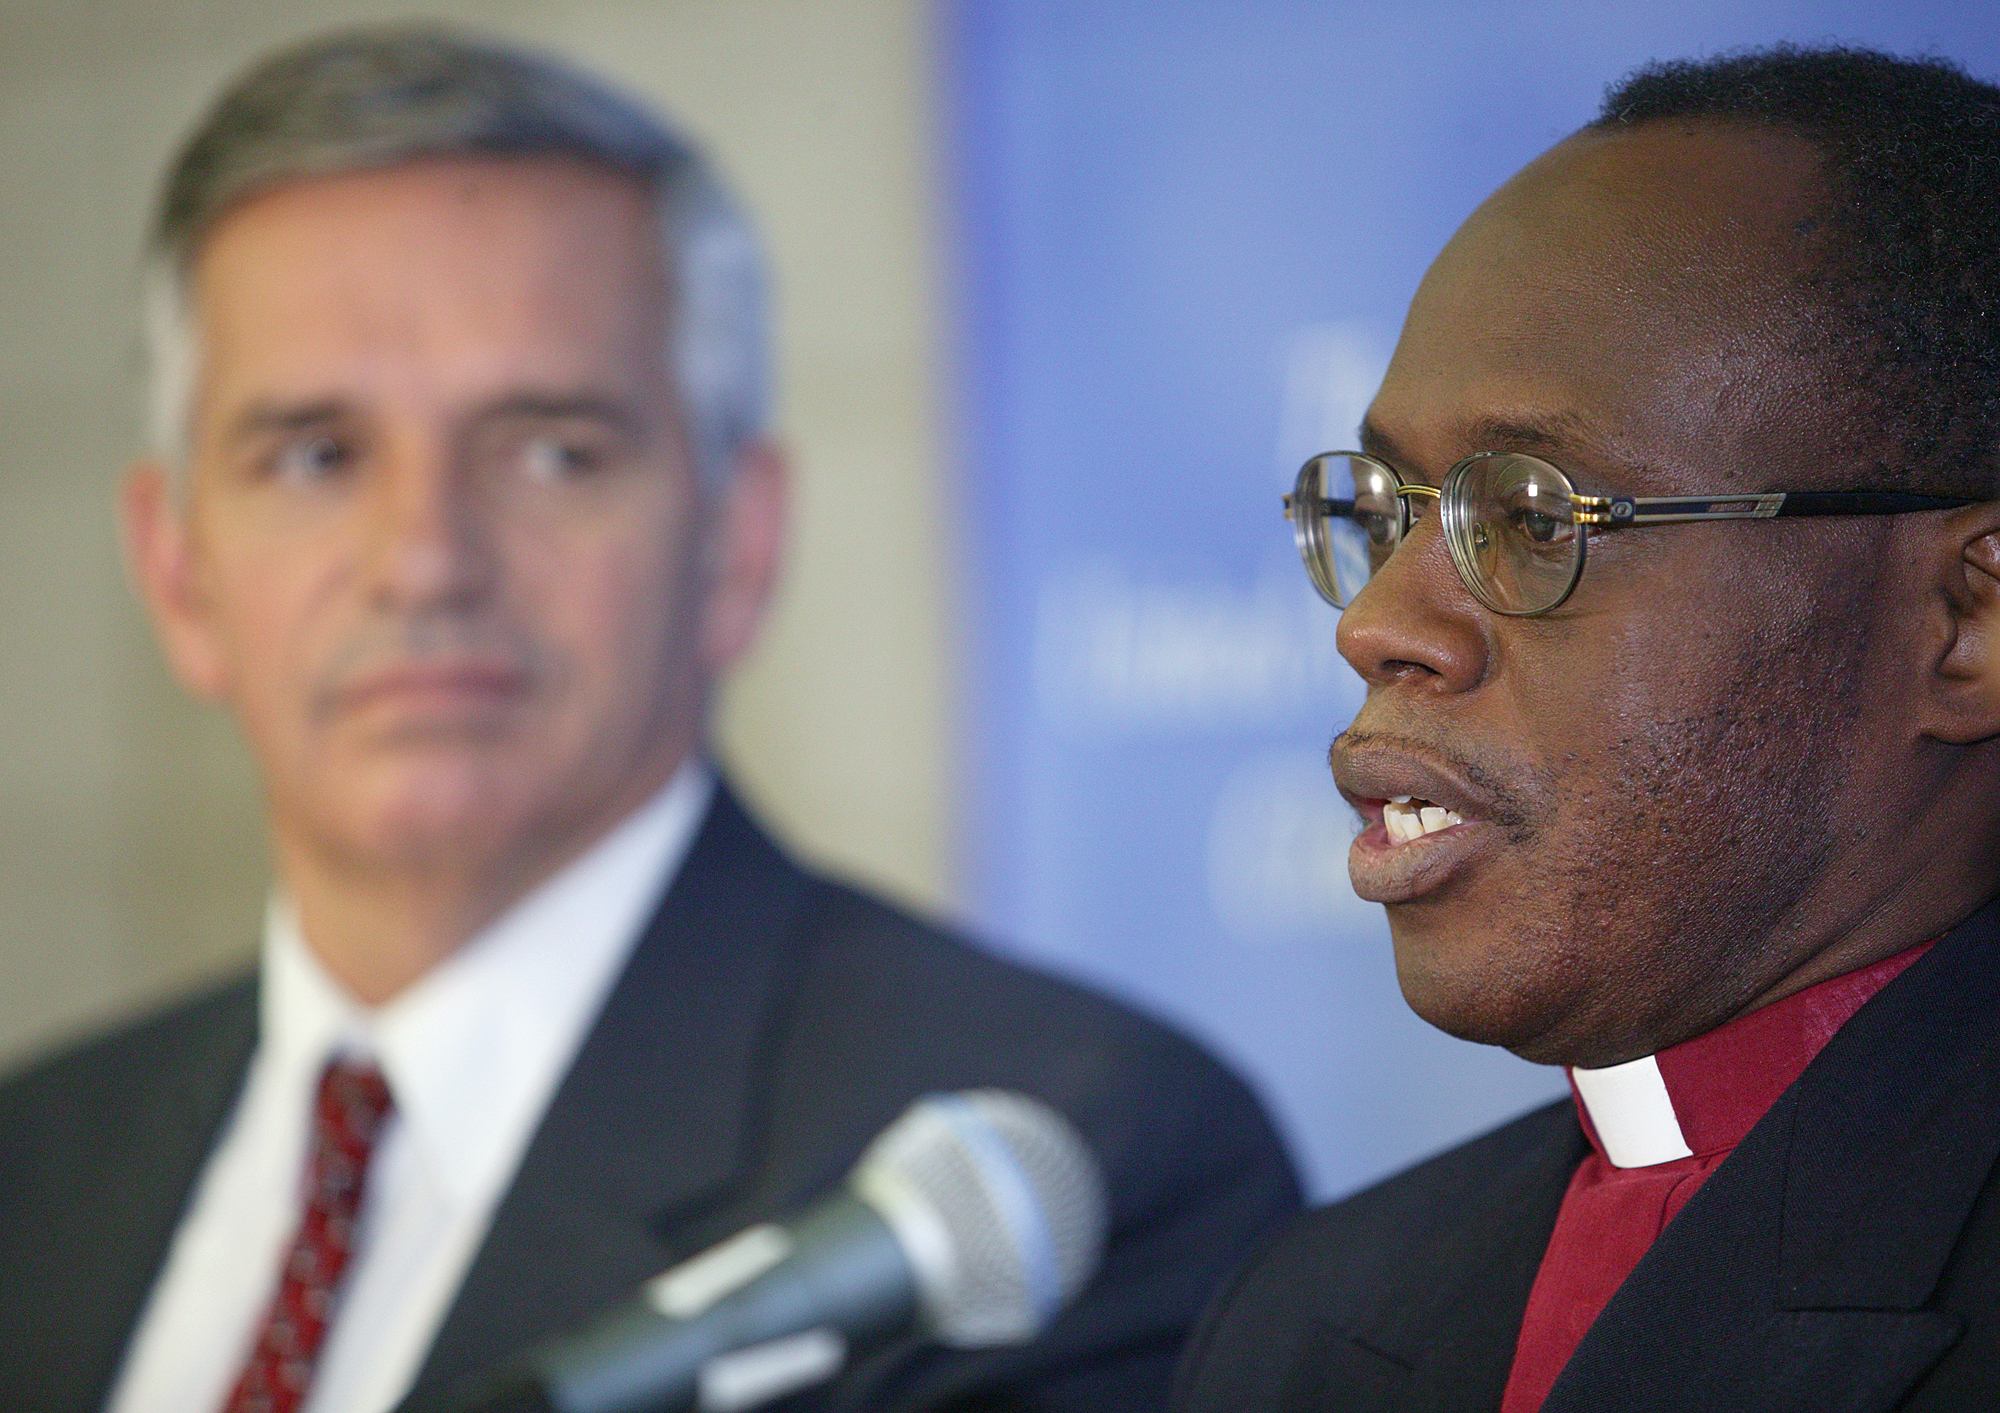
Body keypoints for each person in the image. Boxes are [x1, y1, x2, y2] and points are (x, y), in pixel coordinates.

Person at [0, 26, 1299, 1413]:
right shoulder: (37, 1160)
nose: (424, 557)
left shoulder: (1066, 1172)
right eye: (317, 455)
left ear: (738, 543)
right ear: (177, 570)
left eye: (553, 449)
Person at [1173, 44, 2000, 1413]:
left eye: (1537, 516)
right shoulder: (1310, 1317)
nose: (1378, 621)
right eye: (1387, 507)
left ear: (1965, 626)